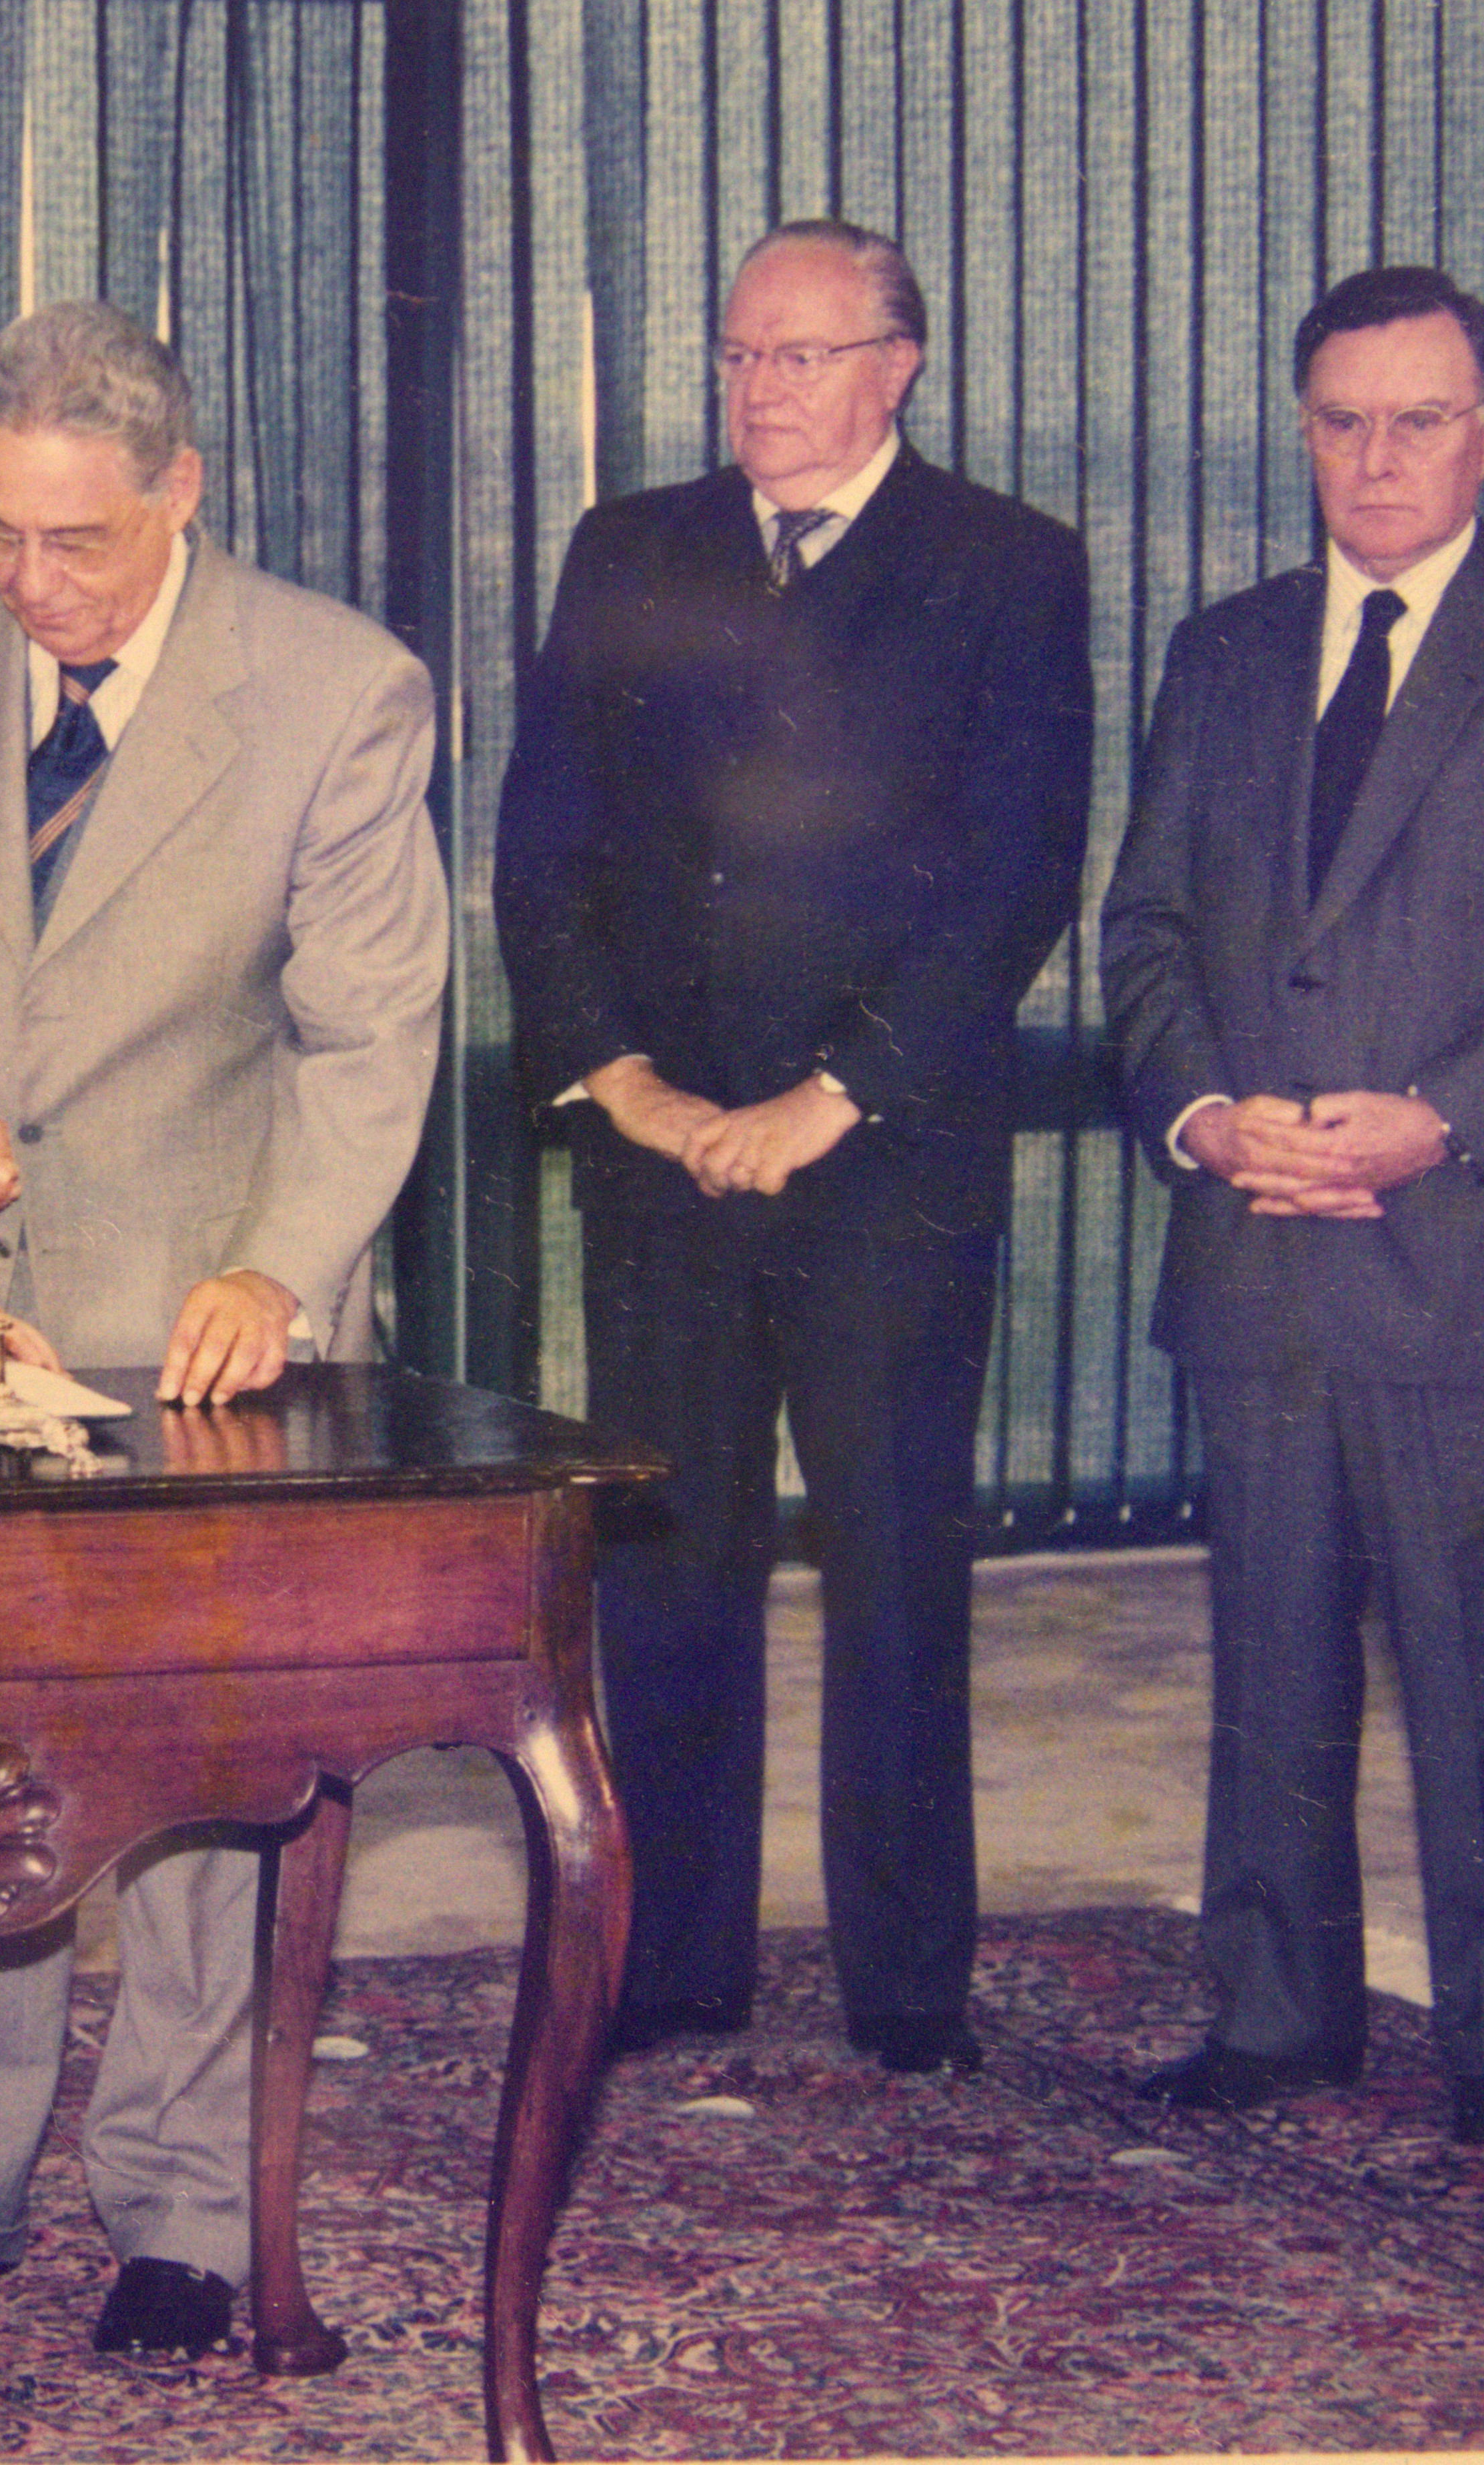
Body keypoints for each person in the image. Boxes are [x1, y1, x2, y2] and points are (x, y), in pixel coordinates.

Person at [0, 300, 448, 2358]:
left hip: (207, 1323)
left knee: (201, 1795)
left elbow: (366, 1034)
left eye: (76, 543)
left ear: (181, 493)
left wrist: (278, 1264)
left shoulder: (340, 692)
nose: (28, 587)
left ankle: (185, 2215)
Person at [493, 220, 1092, 2077]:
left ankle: (909, 1986)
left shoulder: (1009, 567)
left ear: (900, 367)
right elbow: (542, 849)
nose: (762, 391)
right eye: (742, 356)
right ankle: (674, 1968)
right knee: (671, 1564)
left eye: (805, 358)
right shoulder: (631, 550)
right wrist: (636, 1088)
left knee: (898, 1564)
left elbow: (1014, 878)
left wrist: (830, 1100)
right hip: (663, 1158)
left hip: (885, 1158)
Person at [1100, 266, 1484, 2150]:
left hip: (1480, 1259)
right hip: (1259, 1248)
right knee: (1270, 1674)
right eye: (1342, 419)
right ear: (1302, 433)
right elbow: (1149, 933)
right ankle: (1279, 2018)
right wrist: (1204, 1116)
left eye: (1419, 418)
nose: (1378, 455)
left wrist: (1433, 1123)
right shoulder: (1225, 650)